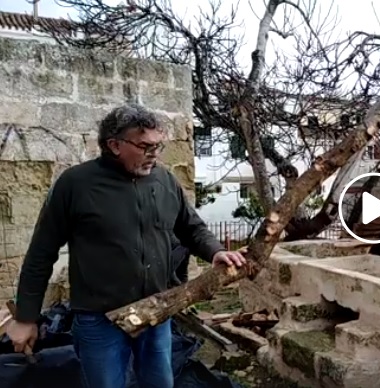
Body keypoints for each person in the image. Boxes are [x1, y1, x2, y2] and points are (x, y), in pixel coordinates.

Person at [6, 104, 246, 388]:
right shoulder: (75, 185)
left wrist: (216, 251)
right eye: (145, 146)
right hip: (100, 319)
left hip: (157, 312)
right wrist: (25, 318)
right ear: (114, 145)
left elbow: (191, 227)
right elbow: (40, 255)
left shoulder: (165, 179)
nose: (154, 154)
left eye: (159, 146)